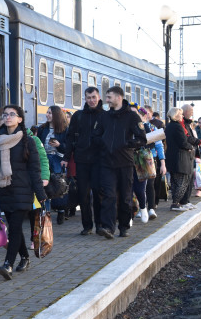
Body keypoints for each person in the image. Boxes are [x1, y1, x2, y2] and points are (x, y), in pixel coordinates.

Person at [0, 105, 47, 280]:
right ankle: (25, 257)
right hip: (6, 190)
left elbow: (34, 170)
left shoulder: (28, 141)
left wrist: (40, 194)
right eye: (5, 114)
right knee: (14, 228)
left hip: (23, 190)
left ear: (20, 119)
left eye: (12, 114)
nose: (8, 117)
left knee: (15, 227)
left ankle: (8, 264)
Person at [94, 86, 146, 239]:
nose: (107, 100)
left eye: (109, 97)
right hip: (107, 163)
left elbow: (141, 139)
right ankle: (108, 227)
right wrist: (104, 143)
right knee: (109, 195)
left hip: (125, 162)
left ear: (118, 97)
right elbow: (96, 135)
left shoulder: (132, 117)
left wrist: (127, 144)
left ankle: (124, 226)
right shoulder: (104, 117)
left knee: (125, 196)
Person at [62, 87, 104, 235]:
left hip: (99, 161)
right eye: (88, 98)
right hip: (81, 160)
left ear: (99, 97)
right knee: (83, 194)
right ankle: (87, 225)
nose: (91, 100)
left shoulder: (105, 116)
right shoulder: (78, 116)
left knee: (99, 194)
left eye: (93, 97)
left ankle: (99, 224)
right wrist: (67, 157)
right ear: (85, 99)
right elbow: (70, 137)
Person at [132, 106, 166, 223]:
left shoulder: (151, 128)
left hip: (148, 159)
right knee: (132, 186)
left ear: (144, 116)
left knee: (149, 185)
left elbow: (159, 145)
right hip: (131, 159)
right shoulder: (127, 127)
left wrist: (162, 163)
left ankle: (150, 208)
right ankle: (138, 208)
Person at [37, 106, 69, 222]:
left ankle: (61, 210)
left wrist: (59, 145)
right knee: (45, 185)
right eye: (47, 112)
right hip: (44, 159)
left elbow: (68, 148)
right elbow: (38, 143)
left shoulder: (64, 129)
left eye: (50, 113)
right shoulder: (42, 128)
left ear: (56, 115)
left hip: (57, 158)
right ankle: (46, 213)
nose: (47, 115)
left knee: (58, 185)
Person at [164, 107, 196, 212]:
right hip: (181, 158)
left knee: (175, 182)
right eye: (181, 115)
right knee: (183, 181)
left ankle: (176, 202)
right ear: (176, 115)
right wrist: (191, 147)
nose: (182, 116)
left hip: (171, 157)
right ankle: (176, 203)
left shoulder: (168, 126)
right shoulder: (178, 127)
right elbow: (183, 142)